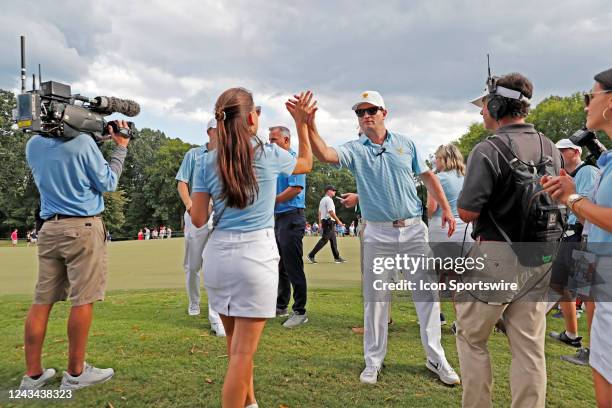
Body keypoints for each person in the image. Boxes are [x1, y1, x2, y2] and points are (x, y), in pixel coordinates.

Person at [305, 89, 460, 386]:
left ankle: (436, 357)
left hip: (414, 229)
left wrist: (447, 210)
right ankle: (373, 361)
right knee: (376, 299)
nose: (365, 117)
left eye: (371, 111)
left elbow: (428, 177)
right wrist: (310, 124)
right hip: (377, 232)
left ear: (384, 113)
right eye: (360, 113)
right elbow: (325, 154)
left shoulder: (406, 144)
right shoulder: (355, 148)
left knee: (427, 296)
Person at [190, 88, 314, 408]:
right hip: (255, 256)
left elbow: (199, 217)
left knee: (236, 346)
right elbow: (306, 163)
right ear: (249, 118)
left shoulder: (207, 161)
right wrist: (300, 124)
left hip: (218, 255)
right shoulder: (269, 155)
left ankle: (250, 403)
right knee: (242, 354)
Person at [456, 72, 562, 408]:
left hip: (495, 257)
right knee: (529, 347)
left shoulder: (488, 149)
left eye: (485, 104)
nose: (481, 111)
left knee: (471, 338)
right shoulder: (550, 147)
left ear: (498, 105)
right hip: (540, 258)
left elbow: (466, 213)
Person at [19, 119, 131, 391]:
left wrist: (97, 139)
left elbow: (64, 152)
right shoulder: (82, 143)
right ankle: (75, 373)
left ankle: (32, 376)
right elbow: (108, 181)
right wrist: (121, 147)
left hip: (49, 228)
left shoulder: (33, 145)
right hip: (82, 226)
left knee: (41, 300)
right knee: (84, 299)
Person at [541, 67, 612, 408]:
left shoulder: (591, 168)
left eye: (590, 96)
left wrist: (572, 198)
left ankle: (575, 334)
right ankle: (580, 339)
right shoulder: (607, 161)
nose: (585, 105)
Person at [548, 139, 599, 364]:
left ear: (576, 151)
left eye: (564, 150)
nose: (559, 153)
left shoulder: (586, 170)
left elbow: (585, 208)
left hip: (581, 234)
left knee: (587, 294)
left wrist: (566, 197)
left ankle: (594, 350)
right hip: (569, 233)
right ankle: (571, 335)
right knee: (560, 284)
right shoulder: (563, 173)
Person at [176, 118, 225, 337]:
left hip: (221, 213)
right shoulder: (193, 154)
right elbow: (182, 182)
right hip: (196, 212)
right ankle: (194, 302)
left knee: (217, 264)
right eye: (218, 129)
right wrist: (189, 205)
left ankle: (216, 316)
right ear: (209, 131)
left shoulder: (228, 155)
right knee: (193, 265)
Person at [427, 144, 473, 332]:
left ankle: (435, 317)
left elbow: (432, 208)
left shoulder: (437, 178)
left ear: (444, 159)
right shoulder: (468, 178)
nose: (435, 161)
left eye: (437, 158)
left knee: (434, 277)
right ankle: (461, 321)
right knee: (458, 278)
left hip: (442, 229)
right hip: (466, 231)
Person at [269, 125, 309, 328]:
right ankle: (280, 305)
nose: (270, 143)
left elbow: (295, 188)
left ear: (286, 140)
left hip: (292, 216)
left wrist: (270, 200)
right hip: (279, 217)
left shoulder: (294, 160)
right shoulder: (275, 163)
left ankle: (300, 311)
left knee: (293, 266)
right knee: (280, 265)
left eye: (274, 139)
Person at [306, 186, 346, 263]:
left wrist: (320, 222)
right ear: (328, 191)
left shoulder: (323, 200)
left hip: (326, 221)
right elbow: (331, 212)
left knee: (333, 240)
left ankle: (337, 257)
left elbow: (320, 212)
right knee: (324, 240)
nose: (335, 192)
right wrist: (338, 221)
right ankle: (311, 255)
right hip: (329, 222)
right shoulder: (329, 200)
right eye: (333, 190)